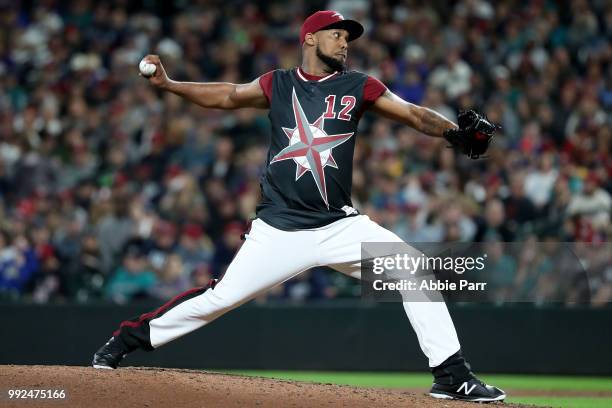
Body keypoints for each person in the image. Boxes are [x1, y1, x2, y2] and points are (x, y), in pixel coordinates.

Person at [92, 10, 504, 402]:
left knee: (415, 272)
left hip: (339, 227)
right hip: (279, 229)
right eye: (337, 34)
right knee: (219, 299)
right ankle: (126, 339)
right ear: (310, 37)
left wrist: (454, 133)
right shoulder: (279, 83)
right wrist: (170, 85)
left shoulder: (359, 84)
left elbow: (412, 114)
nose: (345, 43)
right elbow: (228, 95)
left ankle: (451, 375)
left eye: (348, 37)